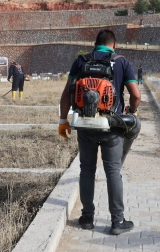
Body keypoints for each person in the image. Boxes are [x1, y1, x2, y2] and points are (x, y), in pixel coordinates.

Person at [58, 30, 141, 235]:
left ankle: (87, 218)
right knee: (113, 171)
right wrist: (131, 112)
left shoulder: (81, 61)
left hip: (85, 125)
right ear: (114, 45)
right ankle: (117, 222)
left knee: (87, 169)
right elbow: (136, 95)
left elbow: (67, 93)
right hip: (112, 126)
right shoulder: (121, 62)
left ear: (95, 44)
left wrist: (62, 121)